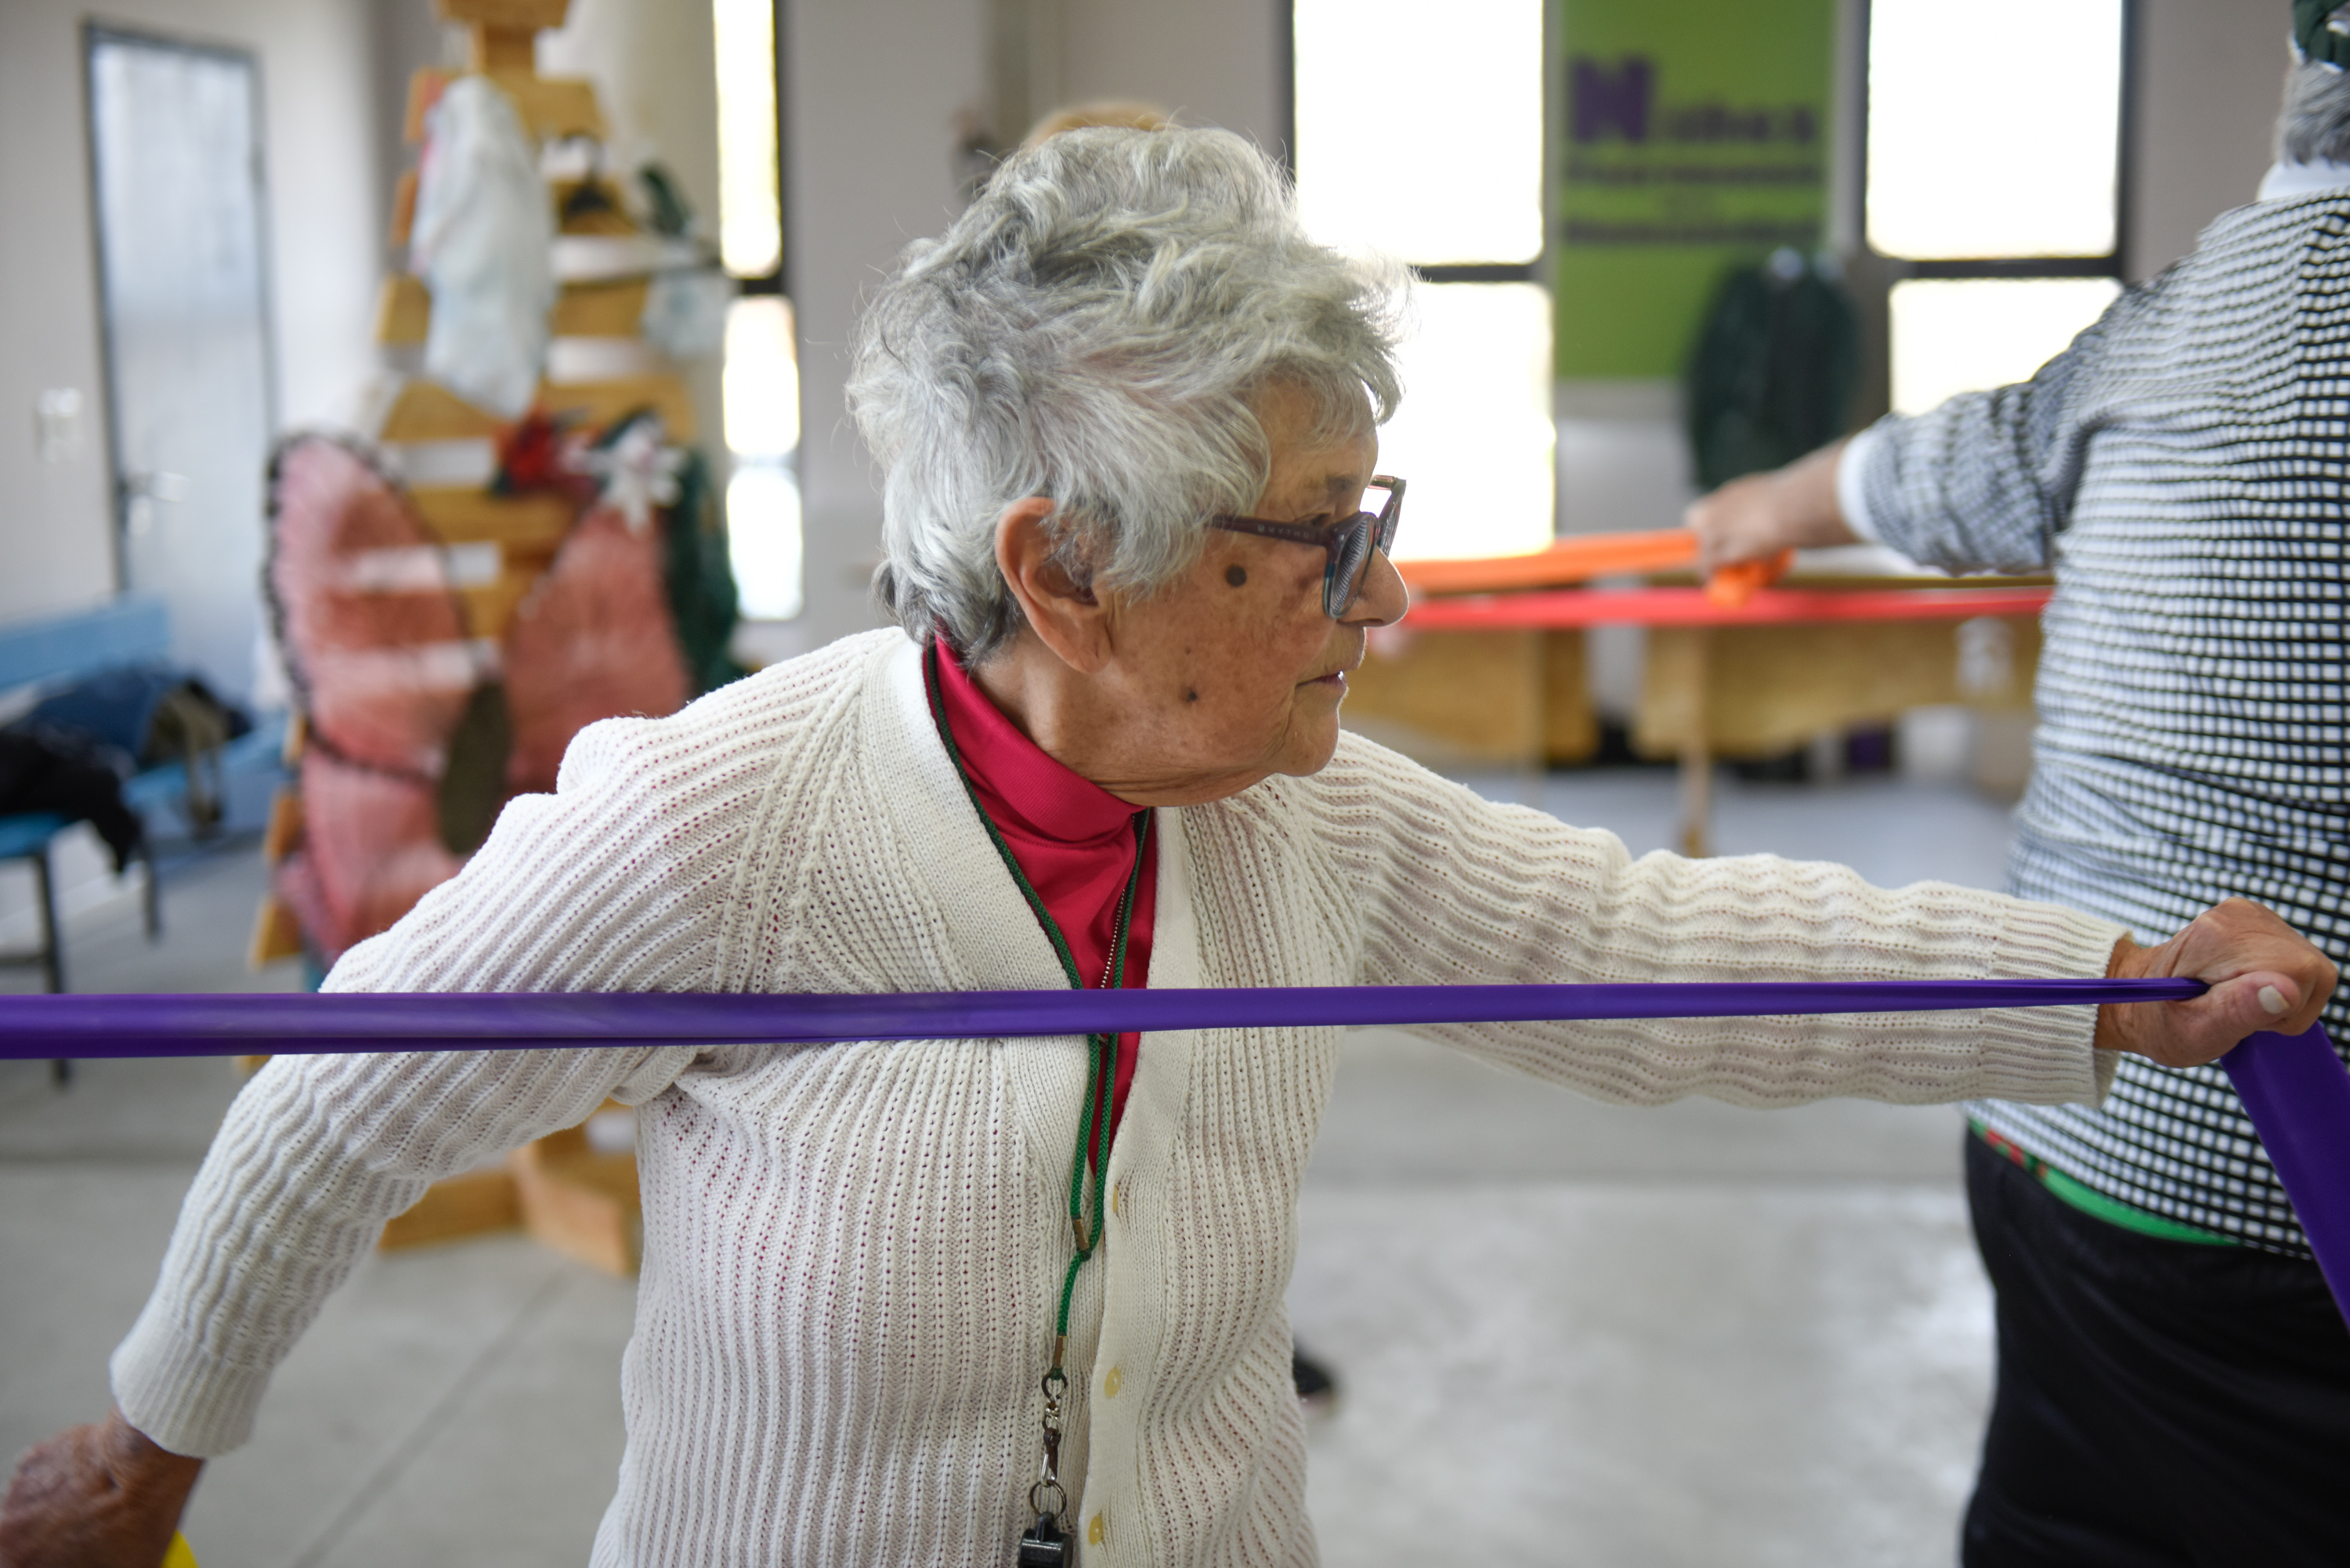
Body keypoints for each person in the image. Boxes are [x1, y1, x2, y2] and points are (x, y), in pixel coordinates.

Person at [2, 126, 2332, 1568]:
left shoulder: (1295, 816)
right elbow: (342, 1098)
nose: (1384, 603)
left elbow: (1657, 948)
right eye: (1324, 539)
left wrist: (2108, 987)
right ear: (1063, 571)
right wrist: (150, 1449)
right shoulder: (728, 820)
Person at [1687, 13, 2350, 1560]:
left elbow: (1959, 463)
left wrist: (1762, 505)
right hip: (2279, 1195)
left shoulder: (2199, 307)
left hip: (2073, 1123)